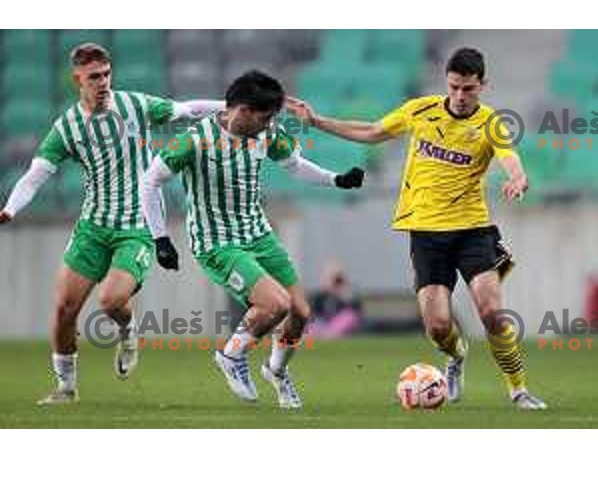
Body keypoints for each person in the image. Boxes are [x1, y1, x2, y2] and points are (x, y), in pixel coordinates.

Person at [286, 47, 547, 410]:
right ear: (447, 81)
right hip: (426, 234)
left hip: (474, 229)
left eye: (468, 89)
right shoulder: (419, 110)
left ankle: (518, 389)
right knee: (439, 326)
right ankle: (456, 356)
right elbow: (373, 130)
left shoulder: (490, 123)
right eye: (454, 86)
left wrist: (518, 178)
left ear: (483, 85)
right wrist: (317, 121)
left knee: (490, 311)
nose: (459, 96)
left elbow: (509, 156)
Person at [0, 42, 225, 404]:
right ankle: (66, 388)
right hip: (93, 227)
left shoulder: (134, 105)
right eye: (94, 77)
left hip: (136, 225)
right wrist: (9, 210)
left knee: (110, 301)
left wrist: (234, 107)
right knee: (63, 309)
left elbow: (188, 110)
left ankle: (128, 328)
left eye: (106, 74)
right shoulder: (67, 128)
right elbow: (35, 176)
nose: (103, 82)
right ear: (78, 80)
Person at [141, 70, 365, 409]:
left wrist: (337, 180)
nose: (268, 124)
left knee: (301, 312)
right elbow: (149, 181)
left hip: (259, 234)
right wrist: (159, 237)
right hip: (217, 243)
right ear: (242, 110)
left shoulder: (265, 132)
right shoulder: (193, 140)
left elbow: (294, 165)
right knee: (276, 304)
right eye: (264, 117)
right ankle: (232, 355)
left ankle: (275, 370)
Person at [310, 262, 362, 339]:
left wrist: (343, 291)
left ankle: (329, 334)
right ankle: (326, 334)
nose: (335, 282)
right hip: (323, 323)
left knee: (349, 316)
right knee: (312, 323)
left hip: (339, 323)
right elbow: (314, 312)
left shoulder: (348, 293)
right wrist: (326, 289)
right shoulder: (321, 295)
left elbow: (356, 311)